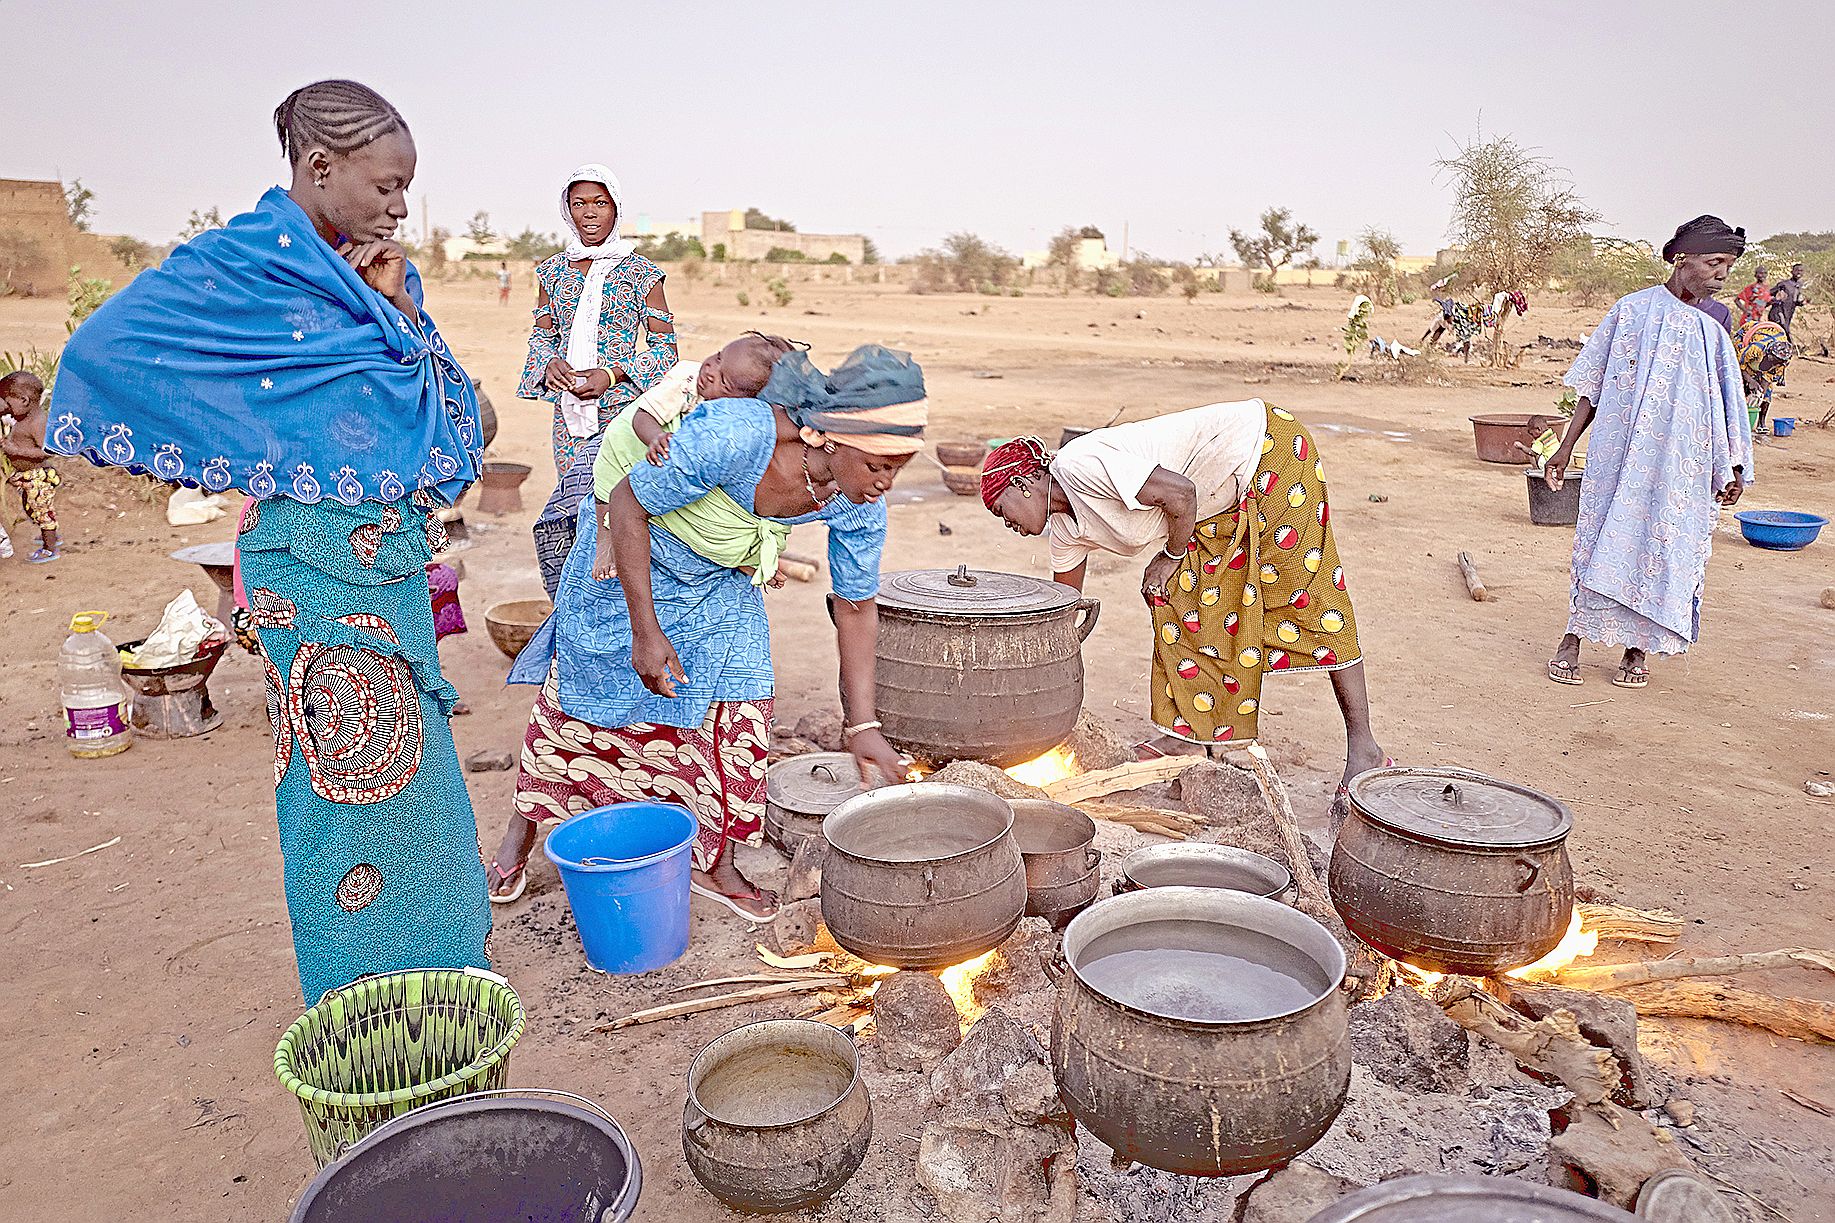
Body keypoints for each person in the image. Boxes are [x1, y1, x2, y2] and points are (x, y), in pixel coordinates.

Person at [49, 79, 491, 1002]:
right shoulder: (242, 264)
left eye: (408, 186)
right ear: (320, 167)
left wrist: (402, 311)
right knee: (343, 783)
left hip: (392, 566)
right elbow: (104, 351)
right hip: (310, 574)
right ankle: (360, 984)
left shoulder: (367, 275)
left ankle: (445, 962)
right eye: (386, 183)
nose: (400, 205)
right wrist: (230, 443)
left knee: (418, 781)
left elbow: (458, 427)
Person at [489, 346, 926, 915]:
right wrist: (644, 632)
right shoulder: (735, 434)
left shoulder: (856, 500)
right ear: (829, 435)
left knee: (735, 718)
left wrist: (861, 723)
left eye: (898, 468)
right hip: (632, 561)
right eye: (878, 466)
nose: (886, 483)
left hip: (720, 580)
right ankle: (519, 836)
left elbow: (857, 608)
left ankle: (716, 864)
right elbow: (626, 503)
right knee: (582, 704)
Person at [978, 399, 1387, 824]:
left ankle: (1365, 748)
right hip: (1215, 502)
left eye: (1000, 509)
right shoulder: (1065, 529)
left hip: (1266, 452)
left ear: (1023, 483)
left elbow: (1179, 492)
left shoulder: (1082, 465)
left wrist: (1172, 554)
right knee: (1177, 598)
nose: (1005, 523)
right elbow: (1060, 614)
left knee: (1311, 601)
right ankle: (1191, 737)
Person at [1543, 215, 1750, 691]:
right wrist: (1565, 446)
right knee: (1600, 541)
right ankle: (1573, 639)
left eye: (1729, 266)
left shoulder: (1716, 323)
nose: (1722, 275)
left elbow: (1727, 401)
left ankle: (1637, 648)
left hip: (1682, 465)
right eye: (1713, 262)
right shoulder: (1630, 312)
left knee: (1661, 546)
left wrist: (1733, 464)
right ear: (1682, 258)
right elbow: (1594, 386)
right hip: (1620, 455)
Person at [531, 332, 797, 598]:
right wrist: (656, 438)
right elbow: (642, 416)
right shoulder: (687, 378)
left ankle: (746, 558)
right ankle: (605, 537)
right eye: (717, 357)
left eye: (724, 381)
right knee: (611, 469)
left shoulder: (746, 422)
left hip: (685, 456)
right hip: (637, 437)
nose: (710, 371)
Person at [516, 165, 676, 479]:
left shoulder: (641, 273)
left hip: (623, 410)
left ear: (616, 208)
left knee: (618, 503)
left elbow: (666, 351)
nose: (589, 213)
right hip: (568, 412)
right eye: (580, 204)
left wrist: (610, 374)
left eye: (600, 203)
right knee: (574, 499)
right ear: (568, 210)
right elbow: (542, 335)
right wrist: (548, 363)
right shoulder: (552, 272)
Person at [1, 371, 59, 562]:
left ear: (24, 400)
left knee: (43, 513)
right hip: (28, 476)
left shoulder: (37, 422)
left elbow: (47, 451)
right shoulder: (22, 418)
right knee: (32, 509)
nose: (7, 408)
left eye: (9, 403)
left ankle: (50, 548)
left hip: (38, 477)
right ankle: (49, 535)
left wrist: (17, 451)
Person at [1736, 320, 1793, 435]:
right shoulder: (1756, 349)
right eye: (1774, 361)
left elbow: (1769, 377)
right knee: (1740, 385)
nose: (1776, 364)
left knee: (1765, 394)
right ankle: (1737, 420)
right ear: (1768, 355)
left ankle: (1761, 423)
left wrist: (1760, 393)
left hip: (1770, 340)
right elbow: (1737, 364)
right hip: (1745, 336)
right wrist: (1750, 380)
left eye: (1778, 363)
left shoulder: (1783, 359)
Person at [1768, 262, 1806, 342]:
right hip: (1778, 312)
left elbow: (1795, 301)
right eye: (1797, 270)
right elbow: (1768, 294)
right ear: (1792, 272)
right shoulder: (1784, 284)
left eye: (1801, 271)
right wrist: (1777, 298)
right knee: (1782, 331)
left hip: (1788, 314)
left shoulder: (1799, 286)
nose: (1799, 272)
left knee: (1782, 333)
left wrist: (1802, 302)